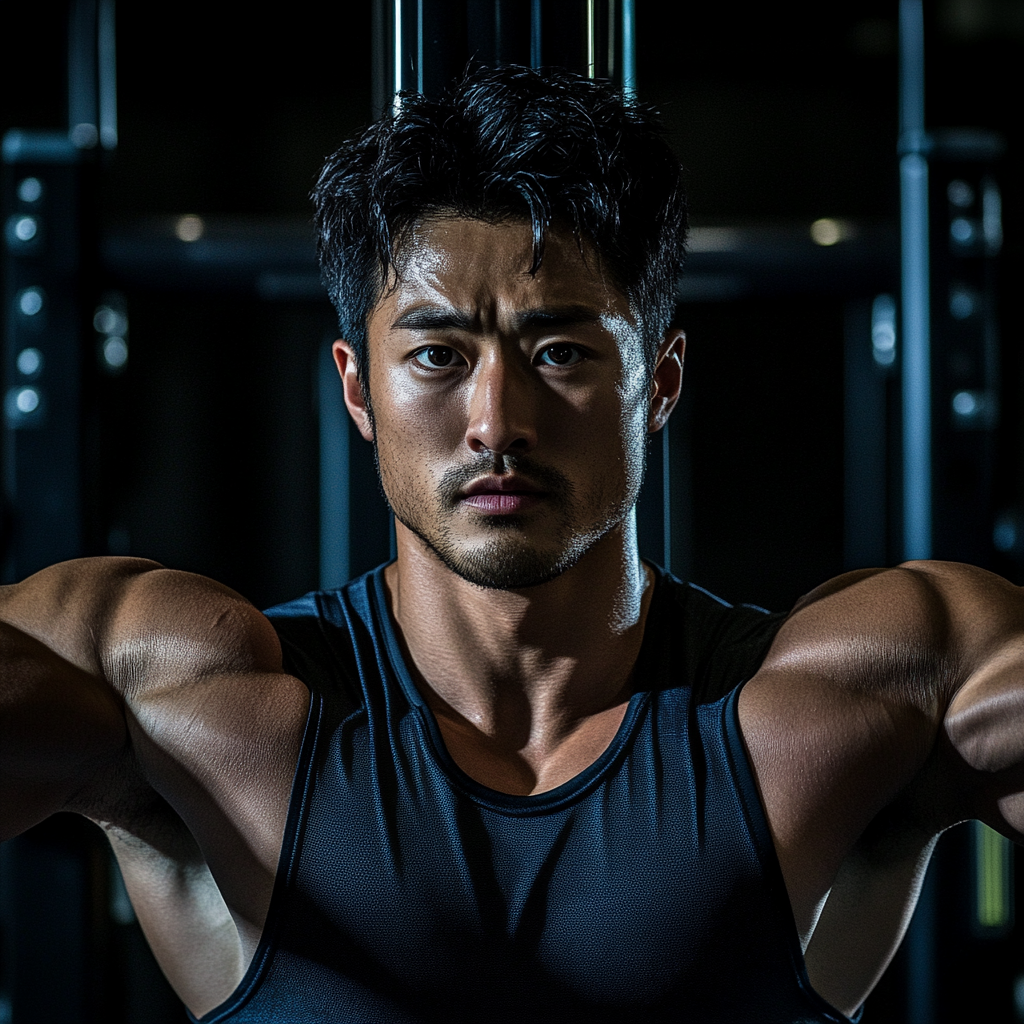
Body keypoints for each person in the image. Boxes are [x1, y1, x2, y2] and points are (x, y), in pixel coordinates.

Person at [1, 64, 1021, 1024]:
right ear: (359, 386)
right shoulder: (191, 700)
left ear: (658, 381)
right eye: (439, 354)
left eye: (561, 351)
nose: (497, 420)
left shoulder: (850, 698)